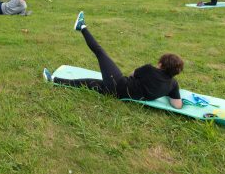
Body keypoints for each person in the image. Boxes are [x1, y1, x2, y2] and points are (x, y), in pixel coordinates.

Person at [43, 12, 183, 109]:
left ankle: (82, 27)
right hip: (117, 94)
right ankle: (53, 80)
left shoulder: (150, 69)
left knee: (100, 52)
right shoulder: (173, 85)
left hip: (119, 85)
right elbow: (177, 105)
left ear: (161, 64)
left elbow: (133, 74)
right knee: (88, 83)